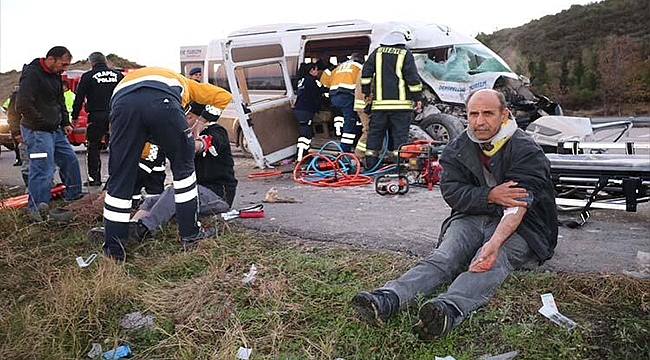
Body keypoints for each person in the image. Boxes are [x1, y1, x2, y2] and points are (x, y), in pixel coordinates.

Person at [351, 89, 558, 341]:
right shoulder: (457, 148)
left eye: (488, 113)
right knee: (444, 256)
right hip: (471, 216)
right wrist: (490, 195)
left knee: (494, 259)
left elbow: (517, 205)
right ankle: (387, 298)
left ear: (505, 115)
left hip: (522, 226)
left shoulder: (525, 149)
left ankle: (448, 309)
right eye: (474, 114)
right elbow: (453, 192)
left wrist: (492, 244)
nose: (480, 121)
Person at [103, 66, 232, 261]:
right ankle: (189, 235)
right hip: (163, 103)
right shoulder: (186, 85)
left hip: (122, 106)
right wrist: (199, 125)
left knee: (118, 182)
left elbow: (142, 153)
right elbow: (222, 96)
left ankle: (113, 249)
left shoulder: (127, 84)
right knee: (184, 174)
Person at [89, 101, 237, 243]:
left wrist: (189, 144)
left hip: (218, 193)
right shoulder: (184, 136)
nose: (185, 120)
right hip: (198, 190)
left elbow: (205, 143)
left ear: (201, 120)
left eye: (189, 117)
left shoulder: (217, 131)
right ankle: (129, 228)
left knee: (175, 192)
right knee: (151, 200)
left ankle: (144, 229)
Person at [16, 46, 82, 221]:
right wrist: (43, 123)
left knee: (70, 160)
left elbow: (59, 100)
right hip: (37, 130)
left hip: (56, 129)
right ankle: (37, 209)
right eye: (63, 64)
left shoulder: (55, 75)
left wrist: (65, 122)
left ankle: (74, 197)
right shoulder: (32, 74)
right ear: (51, 59)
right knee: (43, 168)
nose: (65, 68)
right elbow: (22, 104)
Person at [361, 27, 423, 170]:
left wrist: (366, 91)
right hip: (401, 107)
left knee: (375, 135)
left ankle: (371, 165)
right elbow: (412, 78)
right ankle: (398, 166)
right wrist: (418, 97)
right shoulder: (405, 54)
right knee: (400, 137)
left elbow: (366, 74)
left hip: (380, 107)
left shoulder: (377, 53)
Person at [72, 52, 124, 186]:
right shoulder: (118, 75)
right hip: (117, 114)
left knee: (93, 147)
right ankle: (117, 178)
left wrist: (74, 117)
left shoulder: (88, 76)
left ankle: (94, 179)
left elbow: (79, 97)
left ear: (91, 62)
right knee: (117, 145)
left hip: (96, 115)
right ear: (105, 61)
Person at [329, 53, 364, 153]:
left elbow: (329, 81)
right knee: (350, 123)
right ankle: (345, 151)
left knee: (341, 119)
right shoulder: (359, 67)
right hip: (347, 96)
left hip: (334, 96)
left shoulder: (341, 66)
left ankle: (339, 136)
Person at [293, 62, 327, 161]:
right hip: (306, 110)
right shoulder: (312, 80)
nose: (317, 72)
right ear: (311, 71)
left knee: (306, 132)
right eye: (316, 70)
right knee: (305, 134)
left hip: (299, 109)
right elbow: (322, 90)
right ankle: (300, 157)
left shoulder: (301, 80)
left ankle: (305, 154)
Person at [3, 85, 22, 166]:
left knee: (17, 143)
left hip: (15, 123)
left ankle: (19, 159)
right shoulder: (23, 95)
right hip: (24, 123)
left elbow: (4, 108)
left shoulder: (11, 98)